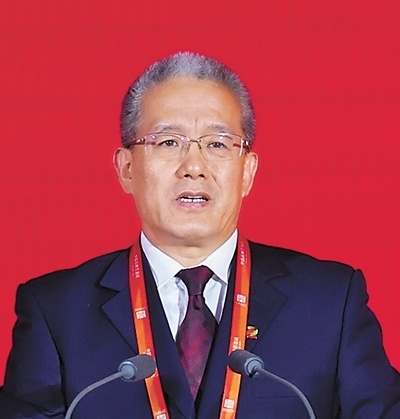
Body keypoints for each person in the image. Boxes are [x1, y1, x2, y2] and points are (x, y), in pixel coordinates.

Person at [0, 51, 399, 419]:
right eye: (168, 142)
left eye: (218, 144)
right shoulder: (56, 312)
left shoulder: (331, 302)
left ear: (247, 172)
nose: (194, 166)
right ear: (126, 169)